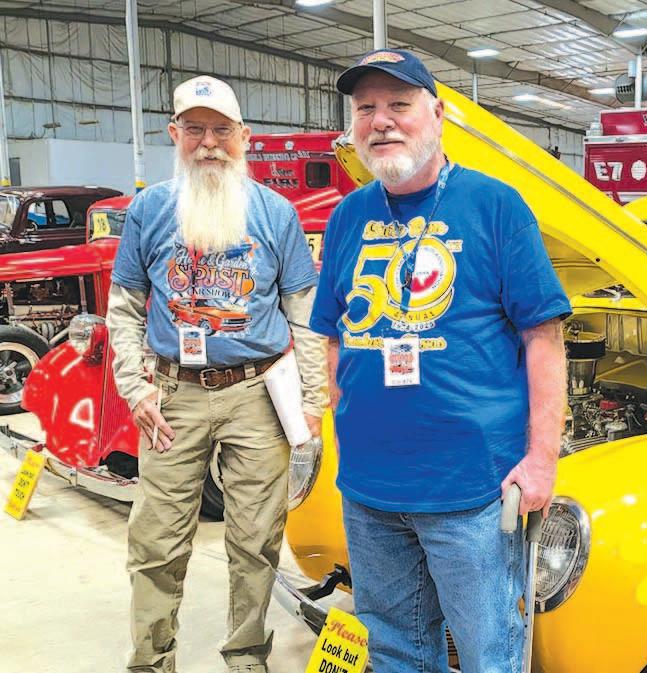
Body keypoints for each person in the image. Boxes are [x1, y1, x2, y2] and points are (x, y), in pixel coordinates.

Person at [310, 49, 570, 673]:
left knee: (489, 652)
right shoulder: (347, 216)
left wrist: (542, 458)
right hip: (370, 489)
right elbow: (334, 334)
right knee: (392, 649)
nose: (381, 121)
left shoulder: (496, 206)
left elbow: (544, 336)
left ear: (438, 114)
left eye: (399, 104)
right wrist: (340, 416)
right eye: (365, 108)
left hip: (471, 489)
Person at [107, 75, 327, 673]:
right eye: (196, 130)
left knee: (257, 537)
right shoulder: (150, 210)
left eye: (222, 130)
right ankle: (151, 660)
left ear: (244, 136)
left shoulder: (276, 213)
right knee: (156, 539)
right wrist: (135, 388)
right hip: (172, 396)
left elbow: (304, 312)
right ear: (174, 134)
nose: (209, 143)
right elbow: (124, 307)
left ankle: (246, 655)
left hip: (257, 395)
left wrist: (313, 402)